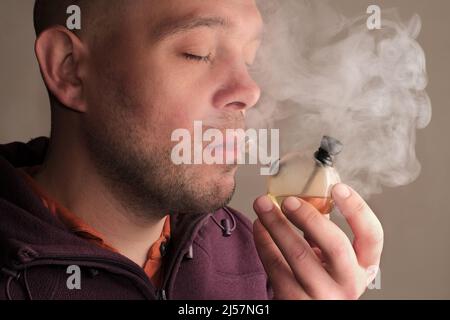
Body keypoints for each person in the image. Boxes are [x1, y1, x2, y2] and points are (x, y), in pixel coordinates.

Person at [0, 0, 383, 300]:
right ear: (69, 69)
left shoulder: (263, 267)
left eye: (249, 60)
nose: (250, 92)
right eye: (198, 53)